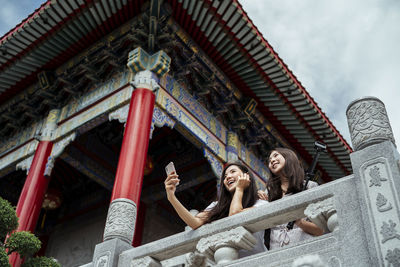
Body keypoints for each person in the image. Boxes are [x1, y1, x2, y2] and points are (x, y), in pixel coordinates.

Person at [165, 161, 268, 257]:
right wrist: (171, 197)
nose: (228, 177)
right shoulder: (216, 206)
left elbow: (236, 217)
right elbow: (194, 222)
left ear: (246, 176)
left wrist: (239, 188)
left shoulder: (261, 203)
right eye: (225, 176)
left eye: (233, 172)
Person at [258, 148, 323, 250]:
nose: (272, 160)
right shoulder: (269, 194)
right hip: (276, 251)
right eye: (269, 160)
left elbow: (321, 230)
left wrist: (299, 222)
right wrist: (258, 200)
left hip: (304, 248)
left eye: (276, 155)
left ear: (288, 157)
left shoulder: (309, 186)